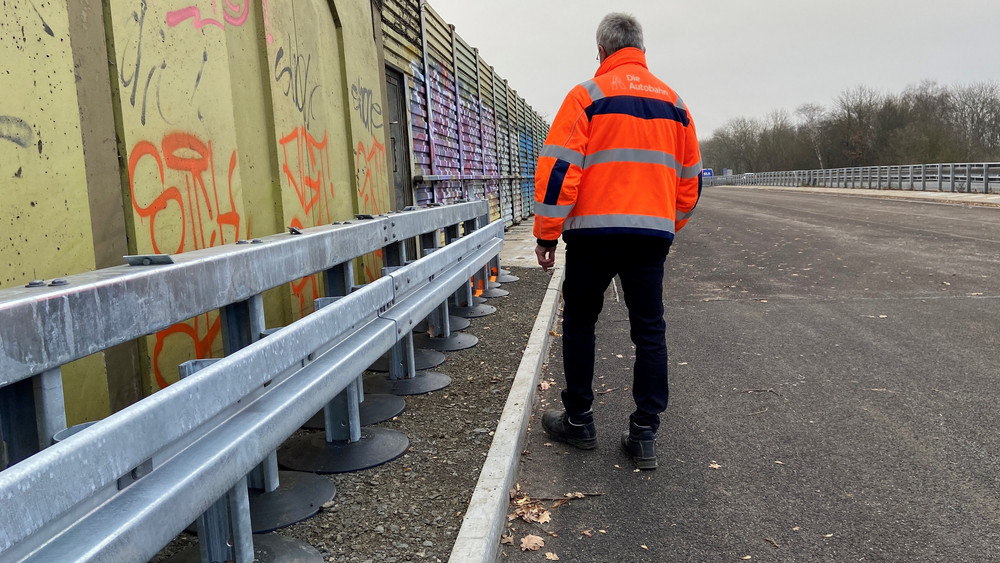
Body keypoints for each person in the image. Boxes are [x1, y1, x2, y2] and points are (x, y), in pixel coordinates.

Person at [533, 13, 702, 470]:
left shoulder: (587, 96)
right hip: (651, 236)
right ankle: (644, 433)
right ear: (642, 50)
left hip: (593, 235)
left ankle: (579, 420)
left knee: (581, 321)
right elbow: (690, 183)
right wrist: (667, 227)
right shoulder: (676, 105)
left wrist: (547, 233)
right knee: (649, 327)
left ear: (602, 51)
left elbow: (560, 170)